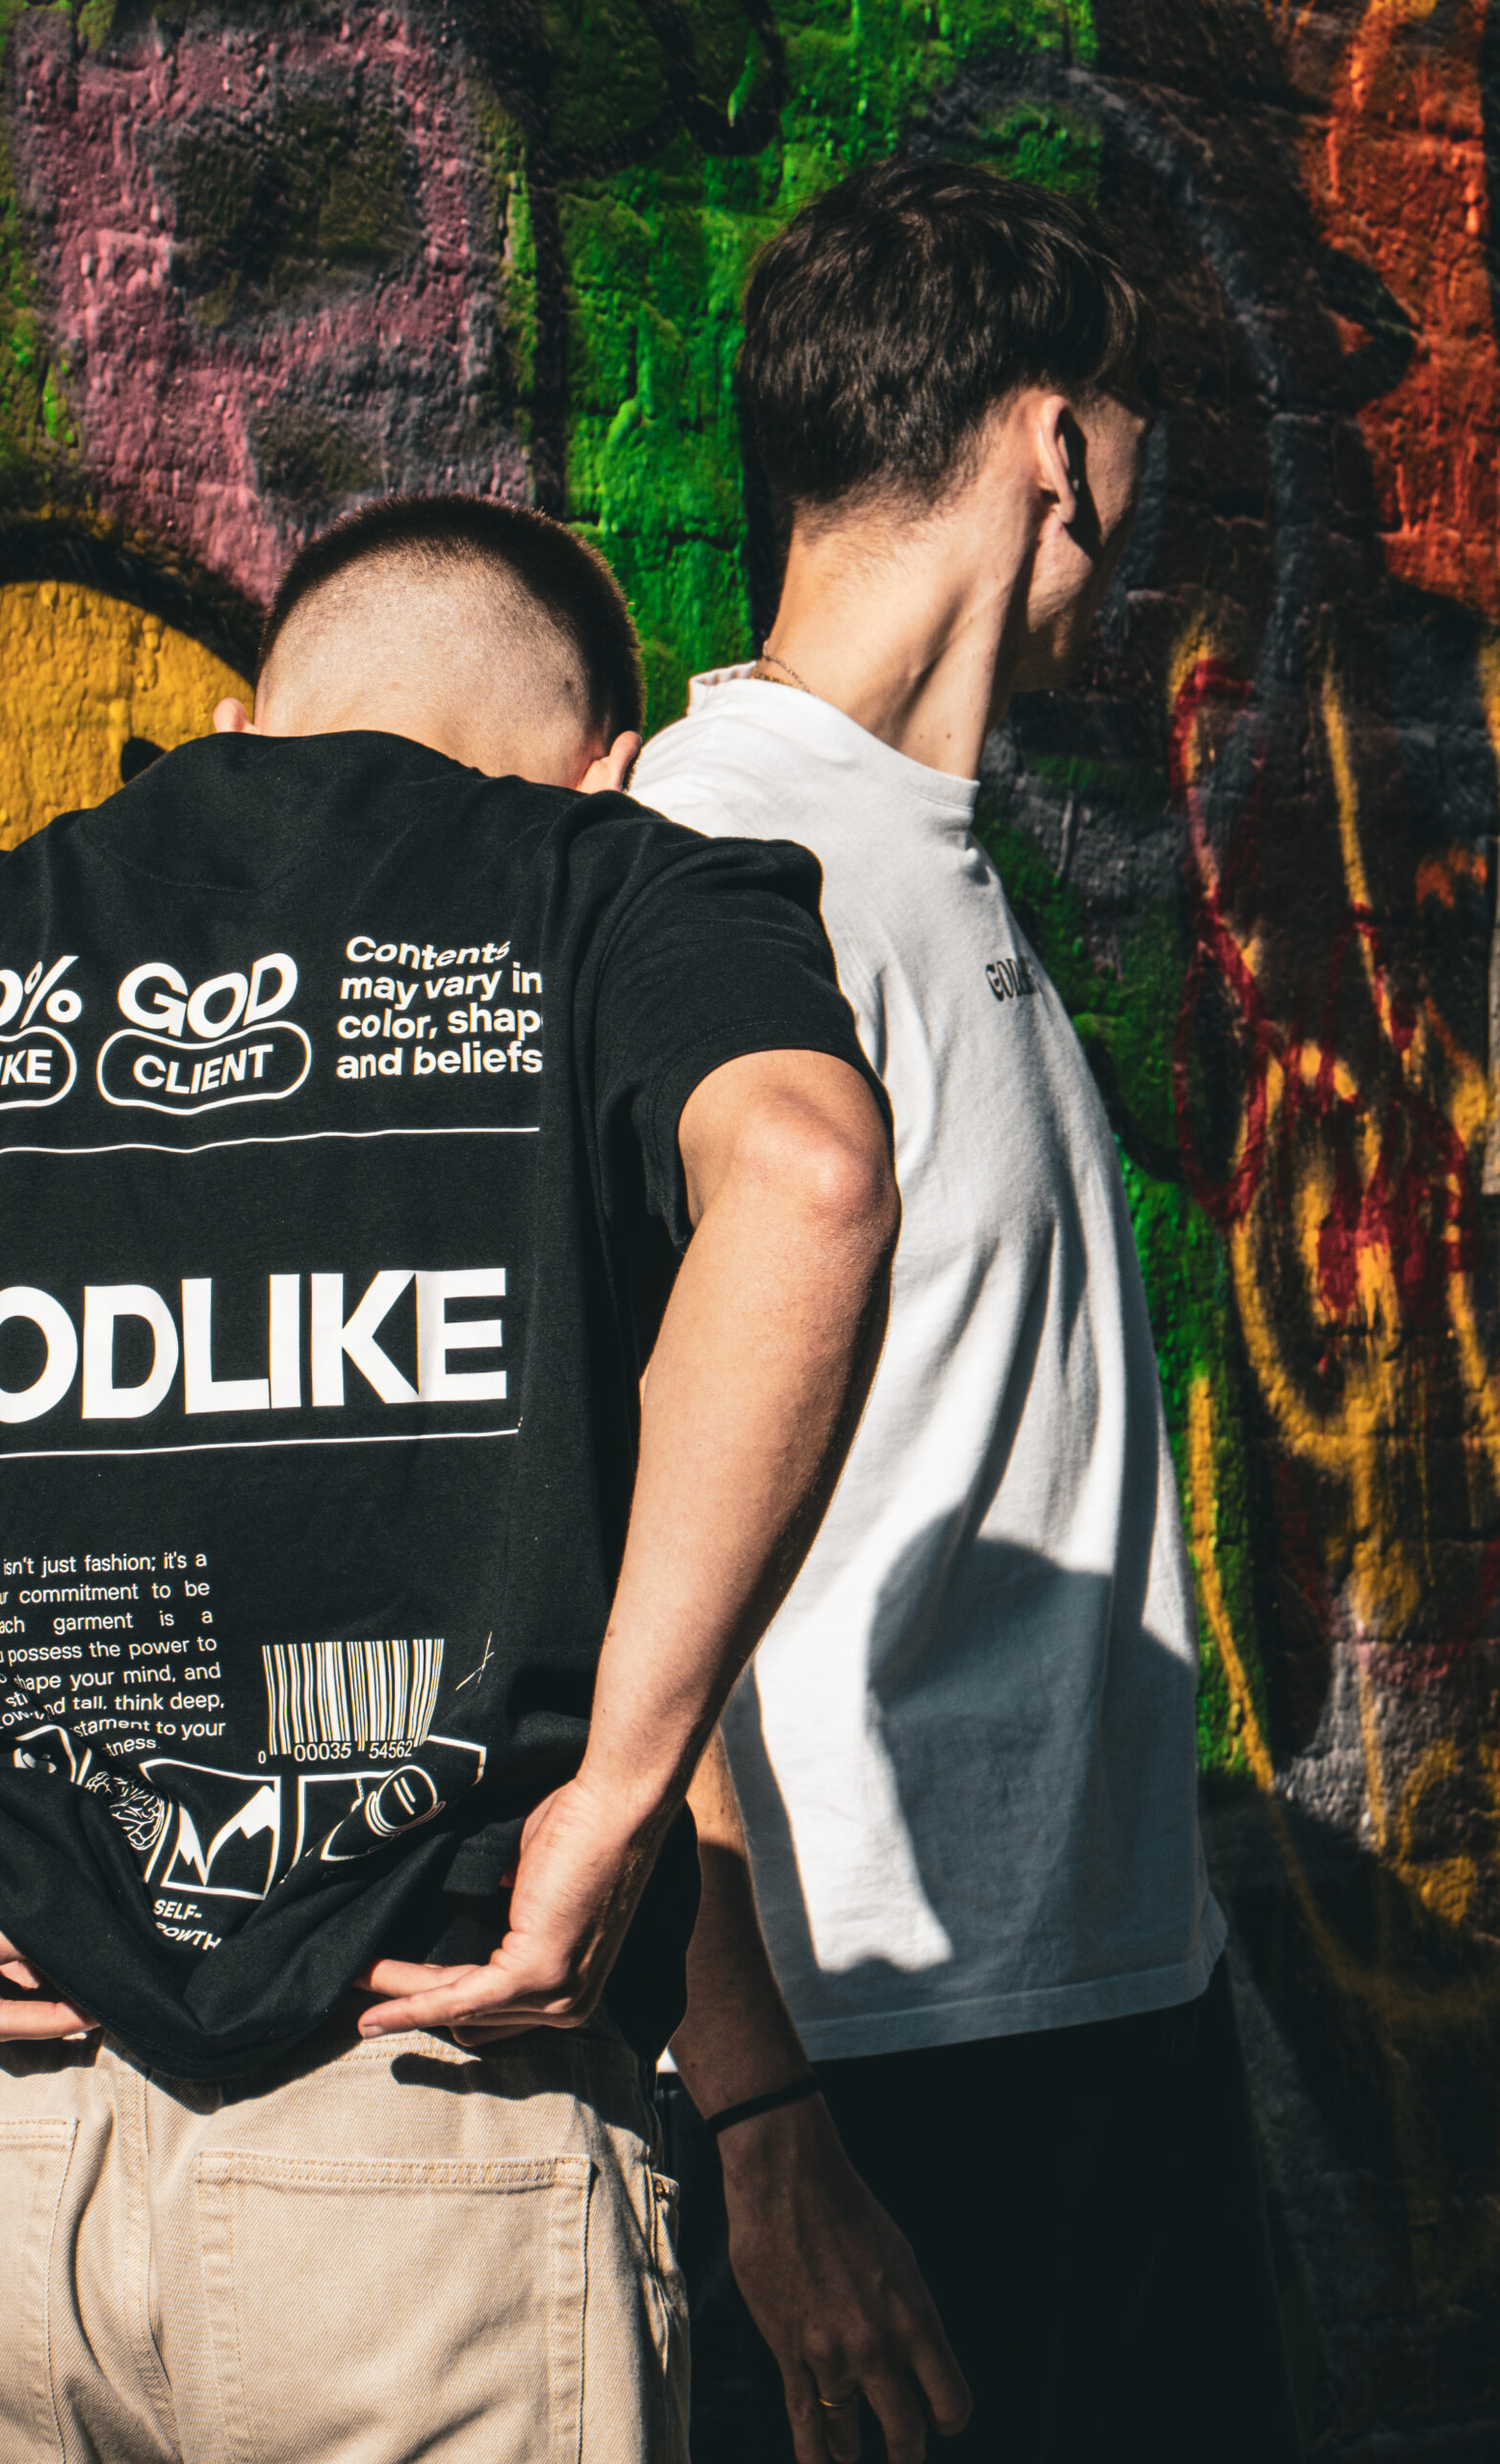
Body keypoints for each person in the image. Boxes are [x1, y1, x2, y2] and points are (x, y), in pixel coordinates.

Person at [0, 495, 947, 2464]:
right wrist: (624, 1789)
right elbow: (809, 1173)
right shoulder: (615, 891)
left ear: (236, 719)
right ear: (601, 764)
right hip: (436, 2114)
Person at [633, 162, 1303, 2464]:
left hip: (1093, 1995)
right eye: (1129, 432)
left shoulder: (914, 841)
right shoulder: (721, 863)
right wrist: (758, 2122)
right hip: (879, 2062)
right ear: (1050, 448)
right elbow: (597, 1537)